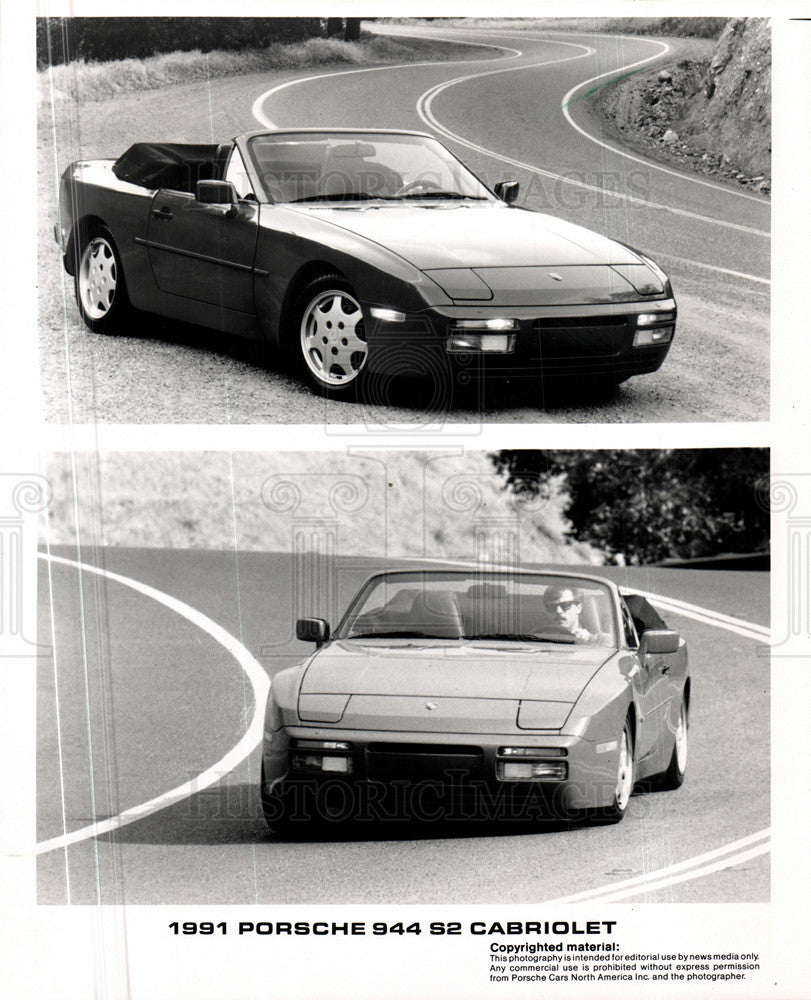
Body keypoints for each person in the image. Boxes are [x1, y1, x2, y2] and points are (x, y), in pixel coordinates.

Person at [542, 586, 609, 644]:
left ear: (578, 608)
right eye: (552, 607)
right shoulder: (538, 640)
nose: (558, 611)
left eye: (565, 605)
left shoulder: (600, 640)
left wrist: (590, 639)